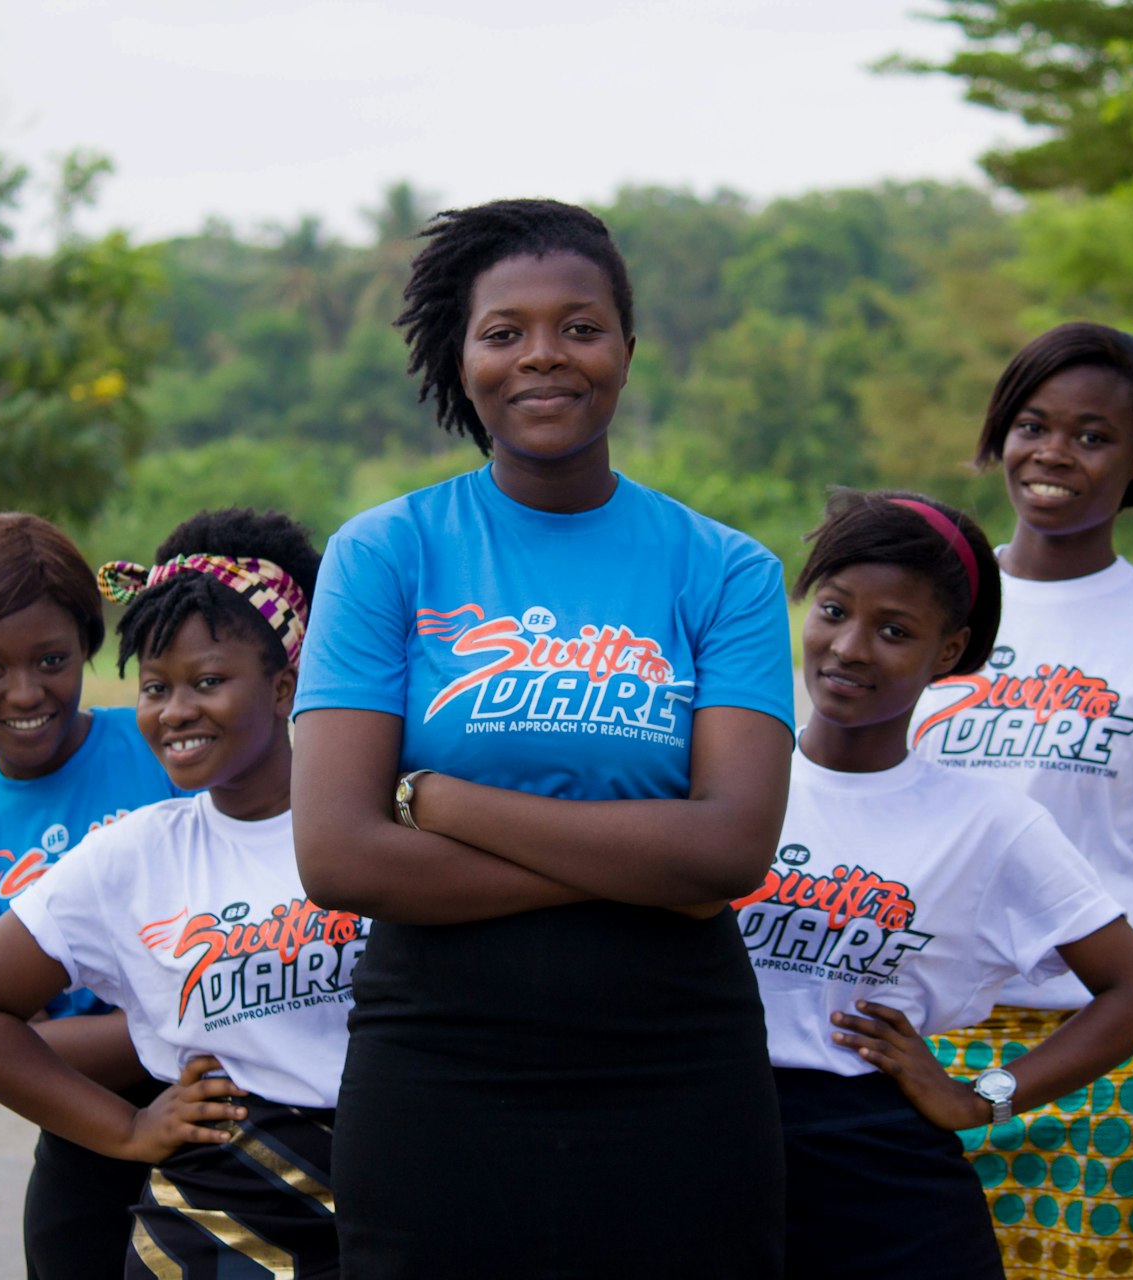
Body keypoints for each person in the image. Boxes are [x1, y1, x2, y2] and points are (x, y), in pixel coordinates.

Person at [290, 198, 795, 1278]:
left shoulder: (727, 569)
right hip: (437, 1065)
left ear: (625, 344)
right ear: (461, 355)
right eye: (504, 330)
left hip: (678, 1062)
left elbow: (732, 851)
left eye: (580, 325)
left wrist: (441, 801)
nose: (544, 357)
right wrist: (649, 863)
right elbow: (337, 855)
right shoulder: (386, 553)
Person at [911, 323, 1133, 1280]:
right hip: (916, 1056)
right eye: (1032, 424)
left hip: (1111, 1070)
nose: (1053, 453)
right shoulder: (925, 610)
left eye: (1092, 435)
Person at [754, 488, 1133, 1279]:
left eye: (894, 631)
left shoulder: (988, 822)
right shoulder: (729, 782)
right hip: (719, 1158)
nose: (849, 647)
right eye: (835, 610)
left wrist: (983, 1097)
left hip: (888, 1194)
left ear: (947, 653)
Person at [0, 508, 356, 1279]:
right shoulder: (103, 849)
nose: (25, 692)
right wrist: (153, 1088)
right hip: (176, 1174)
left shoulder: (329, 809)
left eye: (51, 659)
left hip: (359, 1172)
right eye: (156, 686)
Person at [0, 511, 183, 1279]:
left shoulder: (169, 744)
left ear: (90, 647)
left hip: (251, 1117)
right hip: (89, 1141)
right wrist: (196, 1021)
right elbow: (1, 1041)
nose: (25, 692)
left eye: (52, 659)